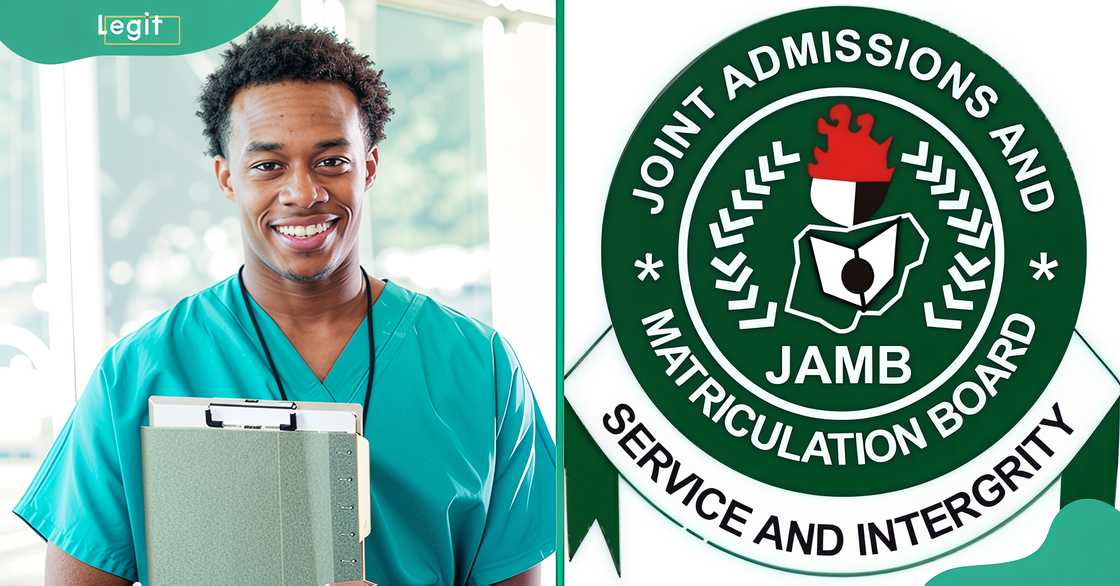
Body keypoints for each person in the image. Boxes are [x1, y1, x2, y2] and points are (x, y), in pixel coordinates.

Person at [13, 24, 555, 586]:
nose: (302, 192)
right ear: (227, 177)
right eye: (268, 165)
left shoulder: (480, 368)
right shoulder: (138, 376)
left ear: (368, 166)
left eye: (331, 162)